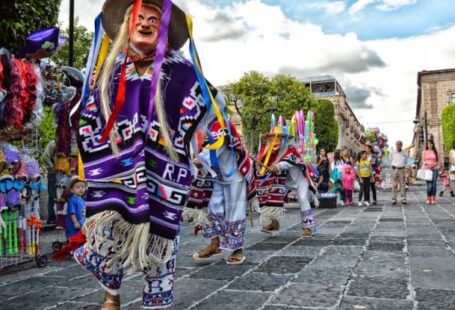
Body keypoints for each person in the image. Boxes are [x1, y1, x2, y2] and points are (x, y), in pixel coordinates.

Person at [74, 1, 224, 308]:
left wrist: (181, 136)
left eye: (154, 19)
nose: (145, 23)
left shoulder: (181, 70)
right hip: (115, 173)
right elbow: (90, 114)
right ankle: (110, 296)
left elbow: (212, 102)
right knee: (107, 234)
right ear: (129, 25)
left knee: (160, 244)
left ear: (165, 28)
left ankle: (157, 301)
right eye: (139, 18)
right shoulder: (112, 69)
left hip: (163, 175)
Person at [187, 119, 253, 265]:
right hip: (218, 176)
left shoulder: (222, 124)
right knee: (211, 208)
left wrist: (200, 160)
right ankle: (214, 244)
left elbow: (216, 148)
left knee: (235, 212)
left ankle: (237, 250)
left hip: (235, 176)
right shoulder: (208, 125)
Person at [256, 127, 317, 238]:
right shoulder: (268, 153)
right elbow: (260, 165)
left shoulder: (291, 150)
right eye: (270, 140)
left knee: (302, 198)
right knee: (271, 196)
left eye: (276, 139)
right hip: (284, 183)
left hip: (299, 181)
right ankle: (274, 223)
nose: (273, 142)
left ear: (282, 141)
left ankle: (308, 227)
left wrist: (276, 167)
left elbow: (287, 163)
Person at [43, 140, 57, 224]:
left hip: (65, 174)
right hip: (54, 174)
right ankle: (51, 217)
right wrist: (52, 168)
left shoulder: (69, 143)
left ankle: (61, 217)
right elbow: (45, 156)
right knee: (52, 195)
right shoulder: (53, 143)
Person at [391, 140, 408, 205]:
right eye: (397, 144)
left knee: (402, 184)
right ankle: (393, 198)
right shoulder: (393, 152)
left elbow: (406, 160)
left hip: (402, 169)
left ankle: (403, 198)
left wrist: (405, 167)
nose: (398, 146)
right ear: (396, 145)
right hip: (395, 169)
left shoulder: (404, 153)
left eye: (399, 144)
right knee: (394, 184)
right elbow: (391, 159)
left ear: (401, 145)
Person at [422, 140, 439, 205]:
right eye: (428, 144)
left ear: (433, 144)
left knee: (434, 184)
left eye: (430, 144)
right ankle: (428, 198)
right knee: (429, 185)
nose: (429, 145)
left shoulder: (435, 152)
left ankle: (433, 198)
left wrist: (432, 165)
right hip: (427, 170)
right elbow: (424, 161)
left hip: (434, 169)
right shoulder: (424, 152)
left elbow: (437, 161)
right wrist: (429, 166)